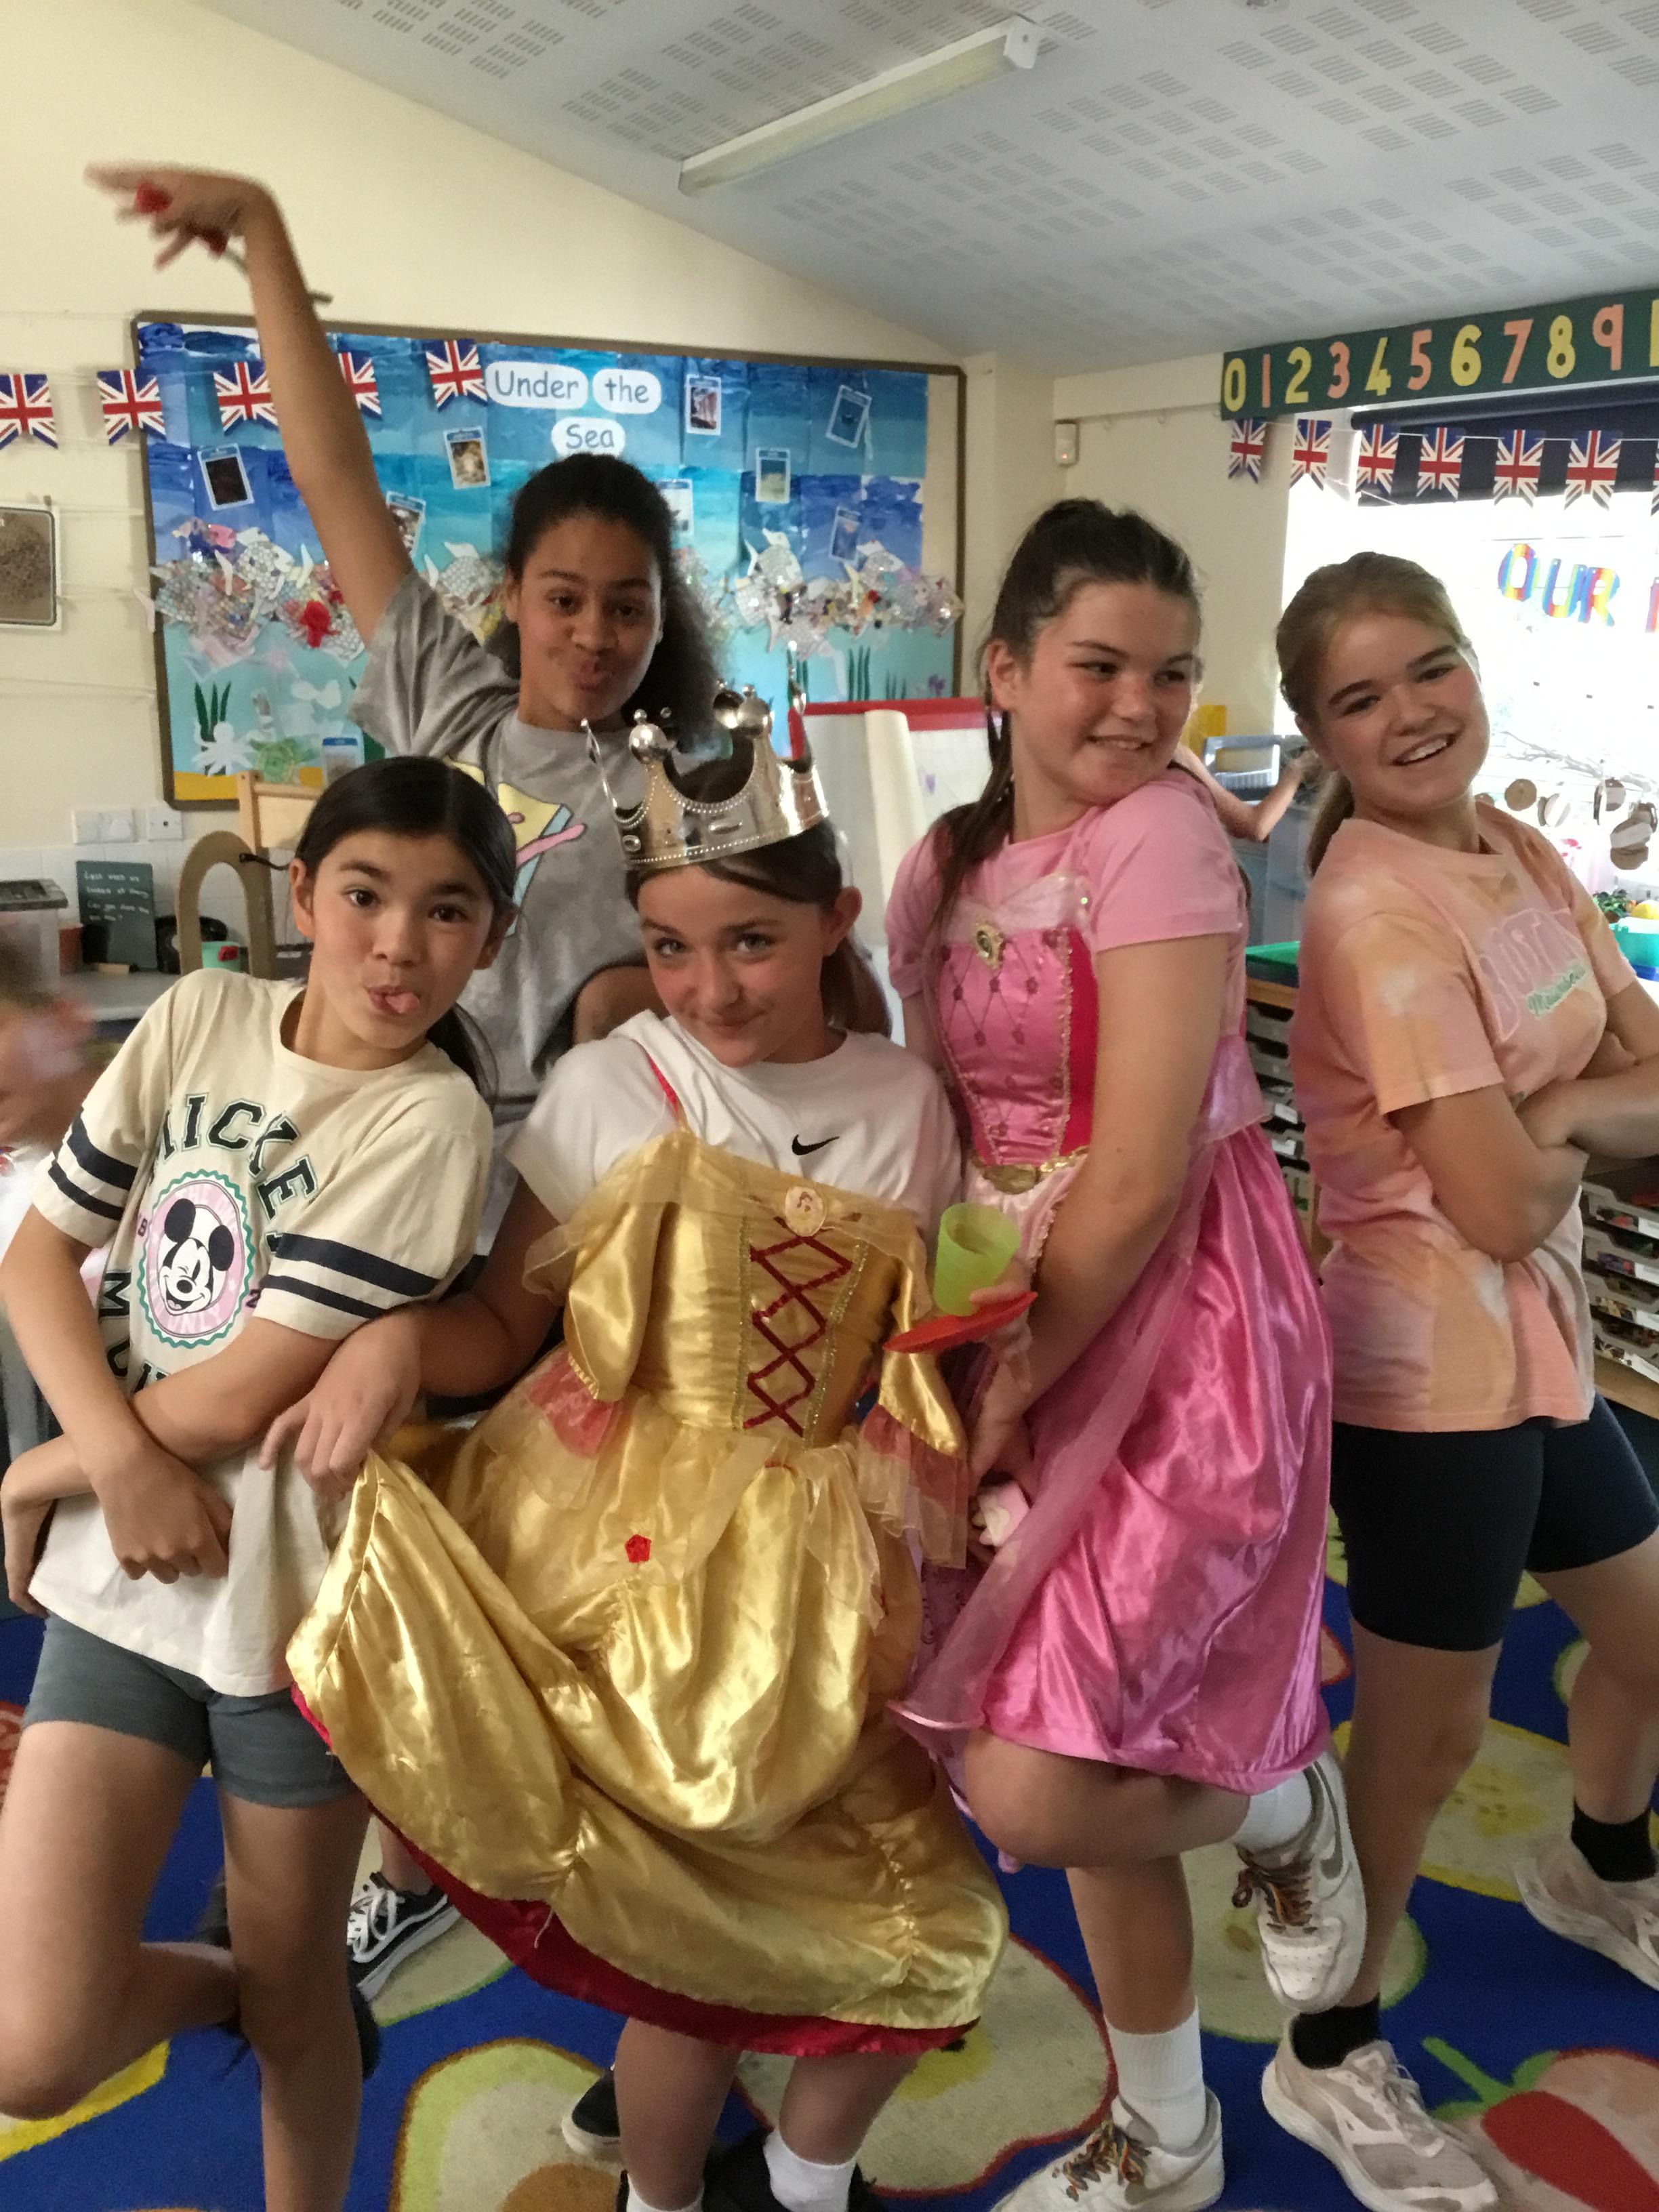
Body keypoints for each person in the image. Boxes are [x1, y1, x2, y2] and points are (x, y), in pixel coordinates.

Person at [92, 159, 729, 2000]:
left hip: (541, 1206)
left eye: (626, 607)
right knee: (318, 1482)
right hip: (375, 1170)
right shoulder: (450, 707)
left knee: (466, 1512)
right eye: (565, 597)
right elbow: (332, 478)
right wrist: (266, 240)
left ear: (658, 618)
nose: (593, 632)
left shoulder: (680, 780)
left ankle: (415, 1849)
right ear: (513, 597)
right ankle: (327, 1831)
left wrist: (639, 1011)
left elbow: (698, 992)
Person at [260, 714, 1008, 2212]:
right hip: (622, 1545)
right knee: (690, 1929)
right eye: (671, 948)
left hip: (826, 1562)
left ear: (835, 922)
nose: (709, 988)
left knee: (916, 1912)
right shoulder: (613, 1086)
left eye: (752, 943)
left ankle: (799, 2180)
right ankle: (664, 2194)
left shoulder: (909, 1103)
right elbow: (505, 1319)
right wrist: (397, 1345)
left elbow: (916, 1344)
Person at [883, 500, 1364, 2212]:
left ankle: (1284, 1802)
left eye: (1173, 675)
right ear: (1004, 670)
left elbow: (1147, 1166)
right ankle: (1170, 2135)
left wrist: (1022, 1374)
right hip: (1007, 1301)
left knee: (1039, 1779)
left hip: (1177, 1322)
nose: (1143, 709)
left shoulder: (1160, 833)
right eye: (1100, 666)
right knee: (1068, 1725)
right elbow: (931, 1115)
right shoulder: (940, 865)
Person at [0, 758, 510, 2212]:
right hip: (124, 1581)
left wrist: (43, 1469)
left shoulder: (432, 1117)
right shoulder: (200, 1014)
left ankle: (283, 2019)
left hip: (294, 1616)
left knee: (302, 2014)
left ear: (491, 936)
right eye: (365, 894)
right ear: (302, 893)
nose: (398, 946)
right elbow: (36, 1260)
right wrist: (111, 1472)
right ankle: (246, 1989)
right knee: (32, 2049)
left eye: (447, 910)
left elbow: (246, 1392)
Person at [1267, 551, 1659, 2212]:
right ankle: (1326, 2046)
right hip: (1424, 1377)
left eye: (1430, 668)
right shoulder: (1373, 912)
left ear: (1472, 668)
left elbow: (1639, 1060)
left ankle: (1598, 1865)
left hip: (1542, 1346)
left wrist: (1554, 1117)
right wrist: (1565, 1125)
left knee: (1652, 1638)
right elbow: (1492, 1202)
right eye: (1362, 699)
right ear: (1322, 737)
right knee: (1419, 1750)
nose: (1413, 713)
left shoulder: (1519, 846)